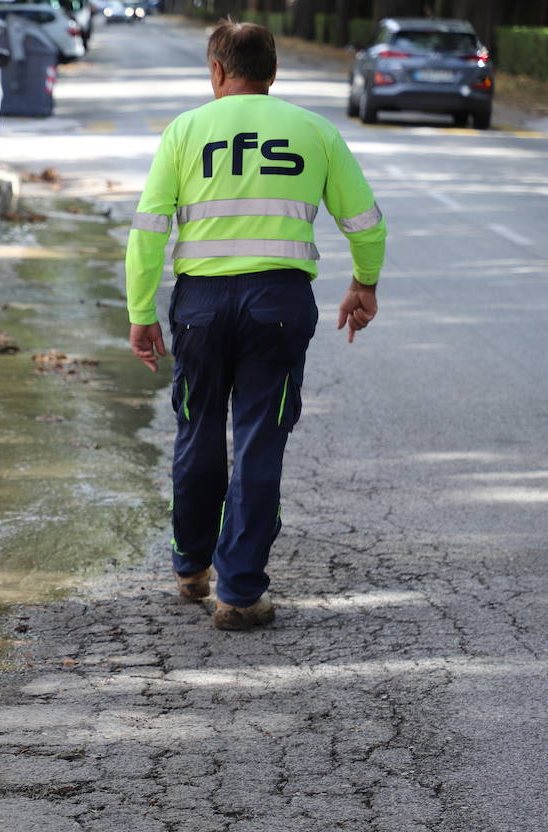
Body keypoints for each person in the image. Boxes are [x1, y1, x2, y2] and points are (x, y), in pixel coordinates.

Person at [124, 19, 386, 631]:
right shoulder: (314, 132)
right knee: (260, 439)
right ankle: (239, 592)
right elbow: (367, 223)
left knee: (197, 430)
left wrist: (140, 314)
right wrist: (363, 283)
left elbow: (148, 234)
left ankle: (191, 566)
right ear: (273, 73)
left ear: (217, 71)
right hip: (279, 303)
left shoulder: (185, 131)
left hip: (201, 308)